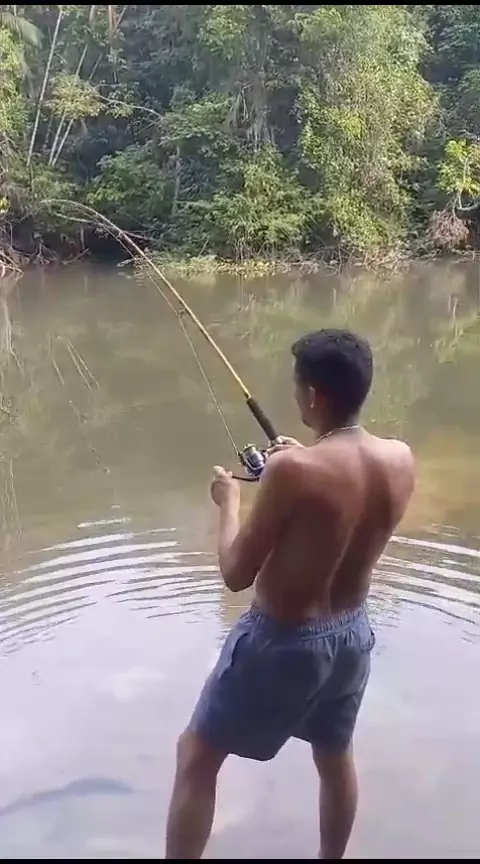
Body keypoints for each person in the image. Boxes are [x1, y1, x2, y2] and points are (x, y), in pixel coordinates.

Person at [165, 328, 415, 859]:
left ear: (314, 396)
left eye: (298, 386)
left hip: (280, 641)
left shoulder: (292, 470)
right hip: (352, 637)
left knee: (196, 756)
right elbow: (337, 496)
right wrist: (305, 457)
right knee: (334, 755)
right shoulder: (400, 458)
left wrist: (229, 502)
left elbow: (236, 573)